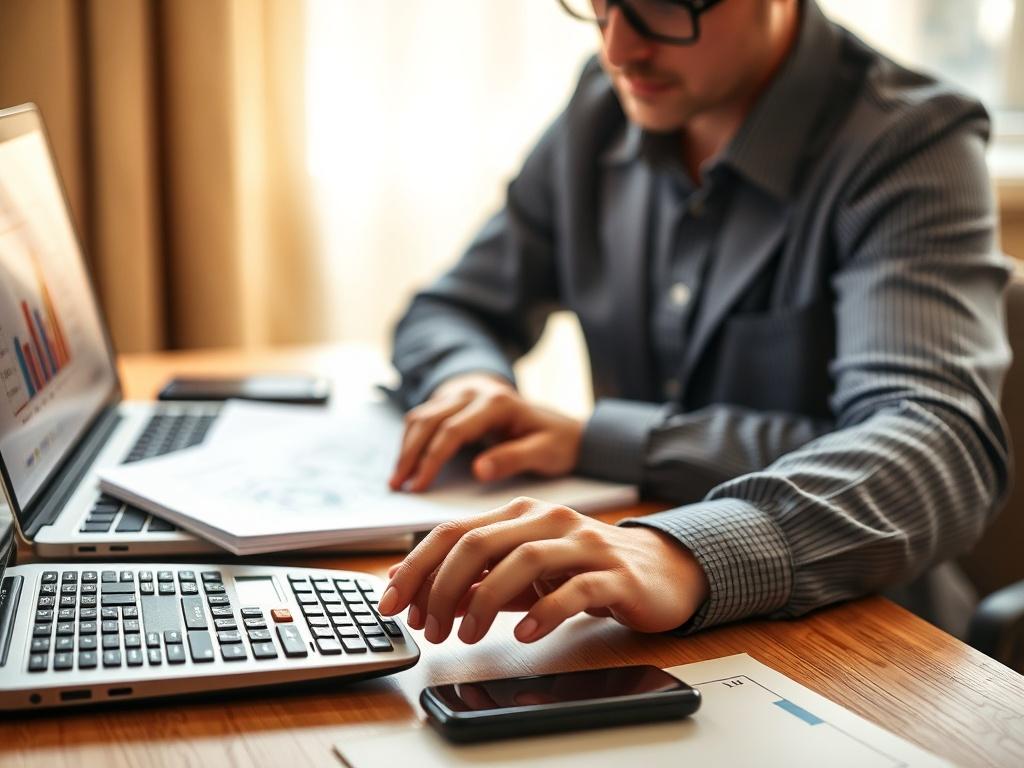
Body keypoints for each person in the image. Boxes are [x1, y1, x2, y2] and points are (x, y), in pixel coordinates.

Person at [376, 0, 1012, 647]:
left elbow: (940, 445)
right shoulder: (601, 106)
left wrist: (679, 549)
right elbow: (452, 308)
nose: (619, 50)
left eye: (661, 6)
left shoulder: (910, 139)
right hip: (620, 619)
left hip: (865, 639)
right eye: (598, 5)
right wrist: (469, 383)